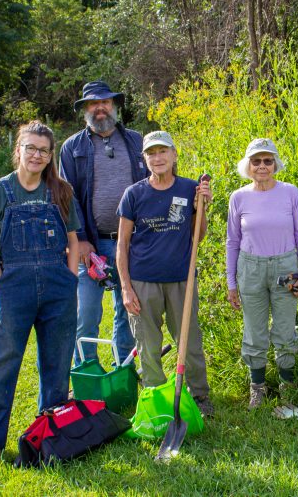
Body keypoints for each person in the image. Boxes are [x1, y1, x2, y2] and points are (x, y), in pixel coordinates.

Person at [0, 121, 80, 473]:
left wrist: (70, 278)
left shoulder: (60, 190)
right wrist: (3, 285)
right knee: (2, 366)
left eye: (43, 150)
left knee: (57, 368)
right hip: (14, 290)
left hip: (59, 289)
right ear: (19, 149)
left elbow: (72, 239)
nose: (36, 155)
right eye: (30, 148)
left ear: (50, 155)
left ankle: (50, 440)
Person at [115, 131, 215, 416]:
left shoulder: (189, 189)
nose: (157, 158)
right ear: (144, 158)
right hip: (142, 280)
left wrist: (201, 208)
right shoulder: (133, 194)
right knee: (147, 344)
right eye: (151, 153)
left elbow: (199, 236)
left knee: (190, 340)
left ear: (173, 155)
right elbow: (122, 245)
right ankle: (156, 398)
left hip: (181, 279)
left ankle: (199, 397)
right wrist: (125, 287)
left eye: (163, 152)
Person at [59, 81, 149, 367]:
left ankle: (123, 371)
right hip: (91, 246)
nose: (100, 108)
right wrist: (80, 238)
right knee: (85, 314)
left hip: (131, 243)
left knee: (127, 312)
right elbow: (66, 196)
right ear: (85, 109)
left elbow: (153, 186)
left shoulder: (137, 141)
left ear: (115, 105)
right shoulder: (72, 147)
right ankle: (87, 373)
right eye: (93, 104)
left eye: (105, 102)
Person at [226, 138, 298, 409]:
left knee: (285, 329)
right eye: (256, 161)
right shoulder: (238, 197)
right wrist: (231, 282)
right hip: (250, 269)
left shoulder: (290, 192)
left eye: (267, 160)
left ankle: (287, 386)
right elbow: (232, 242)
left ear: (275, 164)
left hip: (285, 268)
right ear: (248, 165)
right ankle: (258, 388)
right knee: (254, 330)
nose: (262, 166)